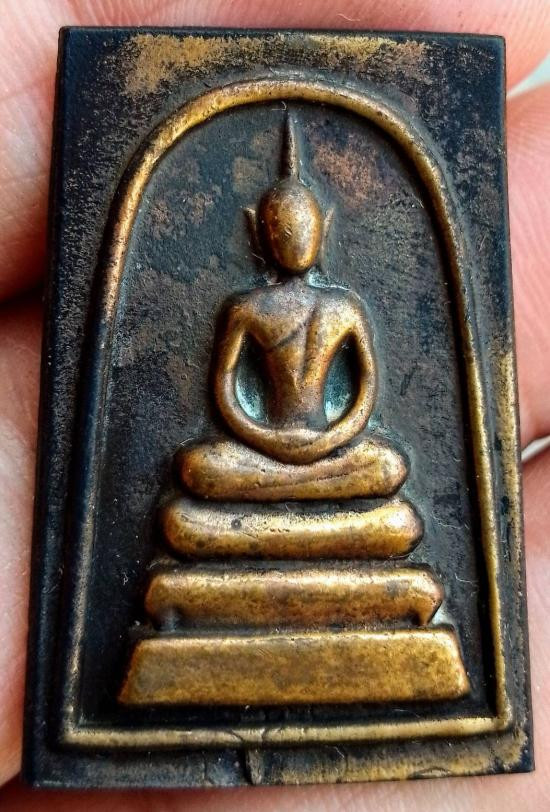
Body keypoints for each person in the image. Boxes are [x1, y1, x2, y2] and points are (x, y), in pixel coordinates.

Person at [0, 1, 548, 808]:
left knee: (388, 476)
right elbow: (226, 394)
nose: (294, 240)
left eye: (304, 228)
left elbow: (362, 396)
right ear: (260, 230)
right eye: (281, 230)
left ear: (320, 228)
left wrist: (320, 444)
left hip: (332, 455)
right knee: (199, 475)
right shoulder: (246, 309)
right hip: (256, 456)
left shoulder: (344, 307)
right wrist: (270, 442)